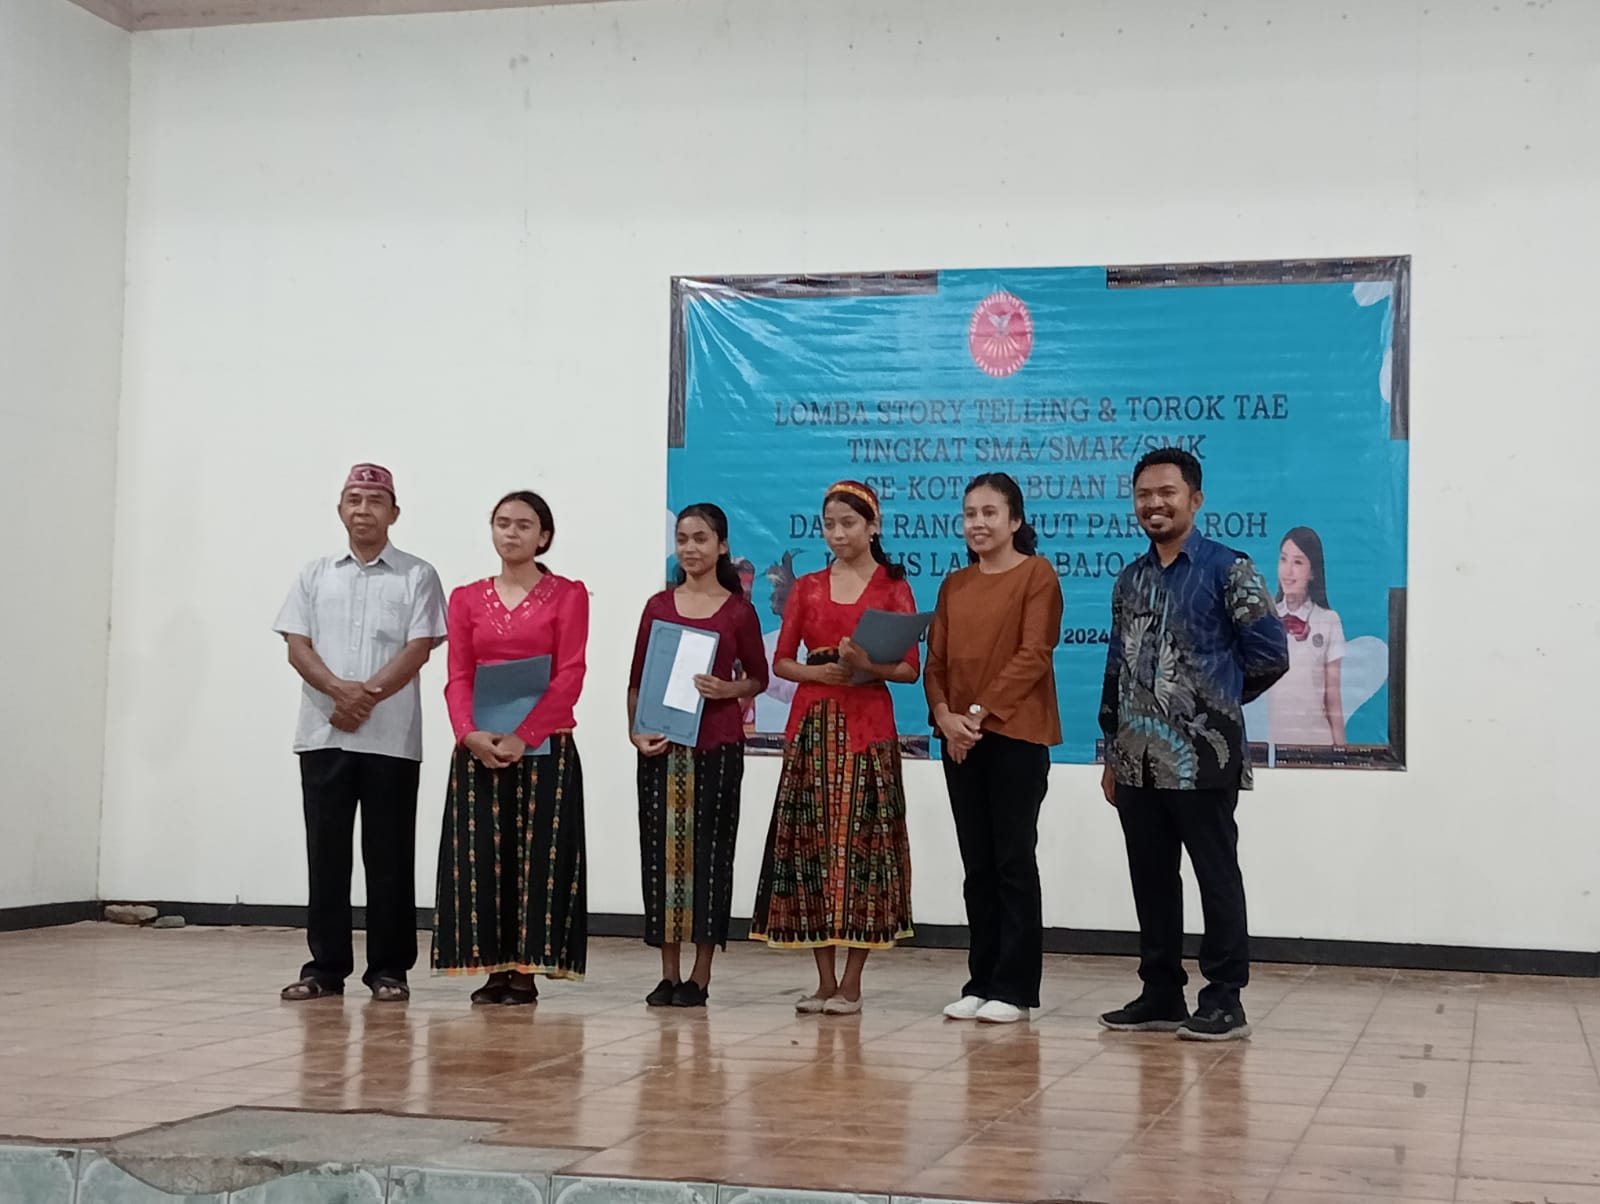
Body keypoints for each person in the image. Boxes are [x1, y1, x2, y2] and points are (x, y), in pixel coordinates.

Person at [1098, 449, 1289, 1041]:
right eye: (1144, 495)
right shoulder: (1130, 579)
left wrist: (1212, 701)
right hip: (1136, 760)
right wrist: (1112, 750)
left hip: (1205, 759)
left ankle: (1225, 998)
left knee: (1215, 876)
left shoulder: (1229, 569)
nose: (1154, 504)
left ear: (1195, 500)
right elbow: (1117, 668)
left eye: (1167, 493)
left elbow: (1270, 655)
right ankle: (1160, 993)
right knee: (1151, 878)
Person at [272, 463, 447, 1003]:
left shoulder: (417, 575)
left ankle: (389, 969)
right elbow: (297, 645)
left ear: (394, 512)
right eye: (354, 499)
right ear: (340, 509)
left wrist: (364, 696)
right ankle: (324, 968)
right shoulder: (314, 574)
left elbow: (419, 648)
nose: (363, 510)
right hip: (323, 735)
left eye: (374, 501)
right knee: (326, 855)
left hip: (390, 738)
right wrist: (338, 692)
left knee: (389, 855)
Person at [750, 480, 918, 1014]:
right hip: (813, 726)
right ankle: (823, 980)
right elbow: (781, 662)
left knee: (866, 848)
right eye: (830, 524)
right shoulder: (808, 588)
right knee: (812, 848)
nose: (838, 534)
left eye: (849, 523)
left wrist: (866, 665)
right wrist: (821, 672)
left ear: (873, 526)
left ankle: (852, 982)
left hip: (868, 728)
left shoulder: (893, 586)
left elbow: (909, 670)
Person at [431, 490, 589, 1004]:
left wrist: (525, 735)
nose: (512, 533)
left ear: (544, 536)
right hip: (480, 746)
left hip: (545, 747)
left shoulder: (568, 594)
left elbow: (570, 674)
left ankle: (527, 971)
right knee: (483, 858)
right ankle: (492, 967)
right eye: (503, 523)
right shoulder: (466, 598)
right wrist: (468, 734)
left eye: (524, 525)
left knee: (538, 859)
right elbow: (457, 675)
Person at [926, 472, 1063, 1025]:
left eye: (989, 513)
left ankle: (1015, 988)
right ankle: (980, 981)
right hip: (960, 740)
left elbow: (1034, 654)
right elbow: (935, 663)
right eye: (969, 514)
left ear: (1015, 520)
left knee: (1012, 862)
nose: (977, 523)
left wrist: (977, 715)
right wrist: (945, 718)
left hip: (1014, 737)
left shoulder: (1037, 574)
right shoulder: (954, 585)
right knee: (976, 865)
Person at [629, 504, 769, 1007]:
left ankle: (700, 975)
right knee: (661, 858)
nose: (690, 548)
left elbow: (759, 677)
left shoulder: (738, 611)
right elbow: (637, 681)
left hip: (718, 747)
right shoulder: (657, 606)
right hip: (662, 748)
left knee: (710, 857)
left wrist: (728, 689)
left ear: (722, 546)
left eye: (701, 539)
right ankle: (667, 972)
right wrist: (635, 732)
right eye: (683, 539)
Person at [1267, 526, 1347, 745]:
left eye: (1298, 562)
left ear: (1313, 572)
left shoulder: (1328, 620)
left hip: (1318, 744)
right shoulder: (1266, 617)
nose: (1288, 571)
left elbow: (1333, 698)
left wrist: (1341, 753)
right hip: (1273, 747)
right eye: (1283, 559)